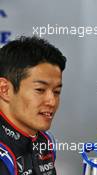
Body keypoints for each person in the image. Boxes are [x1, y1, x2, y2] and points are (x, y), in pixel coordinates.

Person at [0, 36, 66, 175]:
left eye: (57, 91)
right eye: (40, 90)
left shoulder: (46, 140)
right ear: (4, 90)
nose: (52, 101)